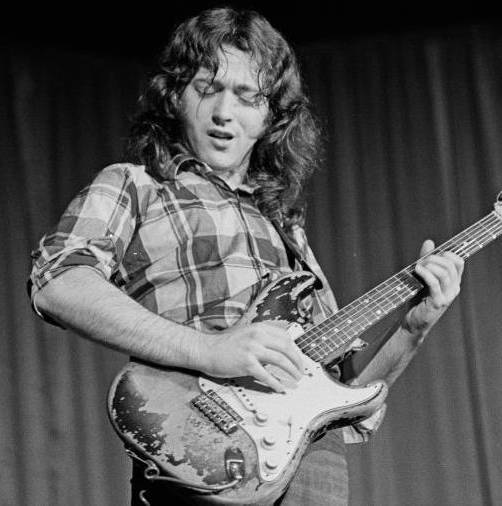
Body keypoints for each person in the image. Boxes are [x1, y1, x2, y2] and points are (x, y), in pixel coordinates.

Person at [27, 7, 464, 505]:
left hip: (312, 471)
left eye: (248, 96)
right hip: (200, 451)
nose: (223, 113)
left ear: (270, 117)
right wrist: (210, 350)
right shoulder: (137, 185)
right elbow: (58, 281)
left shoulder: (287, 228)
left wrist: (413, 327)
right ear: (176, 96)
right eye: (208, 87)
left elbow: (347, 401)